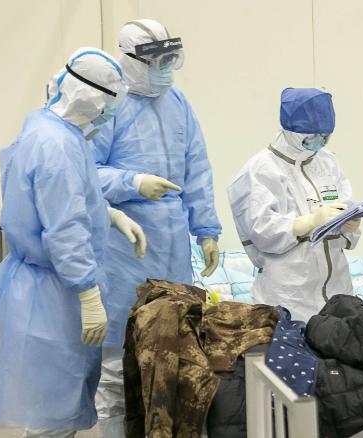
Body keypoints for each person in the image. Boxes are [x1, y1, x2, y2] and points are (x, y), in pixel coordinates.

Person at [0, 48, 145, 438]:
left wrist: (110, 215)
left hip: (43, 284)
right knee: (55, 406)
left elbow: (70, 199)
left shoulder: (49, 127)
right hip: (56, 290)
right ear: (96, 99)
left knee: (55, 402)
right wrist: (86, 292)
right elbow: (64, 227)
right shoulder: (58, 146)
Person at [91, 19, 222, 437]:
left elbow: (197, 169)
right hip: (121, 249)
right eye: (155, 61)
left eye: (171, 59)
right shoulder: (107, 105)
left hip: (172, 249)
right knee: (117, 367)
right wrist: (132, 182)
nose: (165, 68)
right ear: (127, 60)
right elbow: (82, 174)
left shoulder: (177, 102)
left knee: (175, 355)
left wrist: (207, 230)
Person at [229, 87, 360, 320]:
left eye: (325, 136)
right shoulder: (262, 169)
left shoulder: (327, 162)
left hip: (338, 291)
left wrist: (350, 224)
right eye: (311, 136)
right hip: (290, 295)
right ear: (291, 131)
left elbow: (344, 201)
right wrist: (307, 222)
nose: (319, 142)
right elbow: (261, 231)